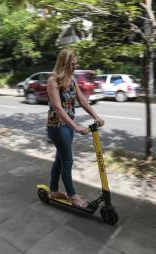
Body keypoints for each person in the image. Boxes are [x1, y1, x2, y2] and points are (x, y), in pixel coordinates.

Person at [47, 48, 104, 208]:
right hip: (57, 127)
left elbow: (83, 100)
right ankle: (72, 196)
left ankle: (53, 191)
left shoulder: (71, 80)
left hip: (68, 126)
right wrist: (76, 127)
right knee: (67, 160)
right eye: (73, 61)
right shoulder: (53, 81)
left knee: (60, 158)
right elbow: (58, 108)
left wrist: (95, 116)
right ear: (65, 62)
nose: (76, 64)